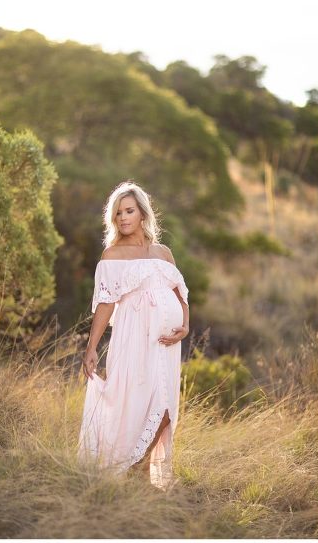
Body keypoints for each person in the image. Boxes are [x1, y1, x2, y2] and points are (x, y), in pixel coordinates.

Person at [78, 181, 189, 490]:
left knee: (166, 408)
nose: (123, 218)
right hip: (133, 339)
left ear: (143, 213)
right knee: (134, 403)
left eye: (129, 211)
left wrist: (186, 325)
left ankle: (137, 469)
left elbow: (180, 294)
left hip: (166, 344)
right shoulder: (113, 255)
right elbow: (105, 304)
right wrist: (91, 347)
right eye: (117, 214)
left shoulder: (163, 252)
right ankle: (131, 472)